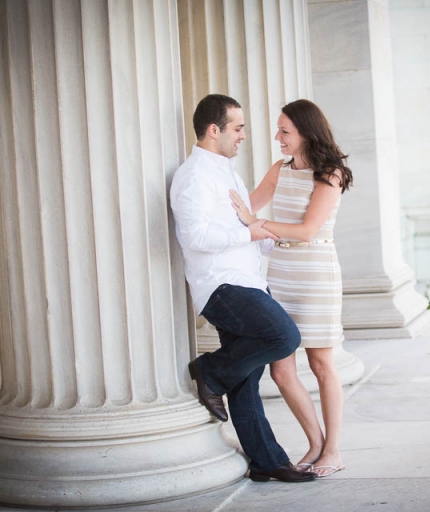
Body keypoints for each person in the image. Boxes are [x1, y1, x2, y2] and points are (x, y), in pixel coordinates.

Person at [169, 94, 316, 483]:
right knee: (284, 335)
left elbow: (243, 228)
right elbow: (195, 236)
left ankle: (266, 460)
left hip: (246, 279)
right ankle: (209, 371)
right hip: (221, 285)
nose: (245, 136)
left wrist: (269, 236)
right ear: (213, 130)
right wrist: (247, 232)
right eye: (238, 127)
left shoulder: (228, 172)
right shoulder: (193, 176)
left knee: (247, 378)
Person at [229, 99, 353, 478]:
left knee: (320, 363)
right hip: (280, 273)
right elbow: (244, 210)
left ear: (305, 133)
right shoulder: (279, 170)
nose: (277, 137)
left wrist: (257, 224)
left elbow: (307, 231)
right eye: (279, 129)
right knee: (281, 370)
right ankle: (315, 443)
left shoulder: (330, 174)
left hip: (316, 273)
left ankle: (333, 449)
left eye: (285, 130)